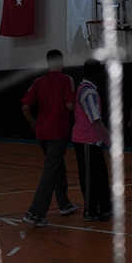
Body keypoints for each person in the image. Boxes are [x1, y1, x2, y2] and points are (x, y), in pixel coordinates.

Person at [20, 50, 80, 227]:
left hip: (42, 133)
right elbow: (70, 105)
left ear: (48, 63)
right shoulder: (66, 80)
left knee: (58, 167)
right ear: (61, 61)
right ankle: (35, 213)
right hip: (57, 132)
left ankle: (64, 203)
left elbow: (25, 107)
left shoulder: (39, 81)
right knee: (50, 172)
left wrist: (33, 123)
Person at [72, 58, 113, 222]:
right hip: (86, 141)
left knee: (101, 176)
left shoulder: (86, 89)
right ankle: (90, 211)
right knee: (90, 178)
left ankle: (105, 206)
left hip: (92, 141)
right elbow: (95, 120)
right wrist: (110, 141)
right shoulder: (88, 92)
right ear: (96, 72)